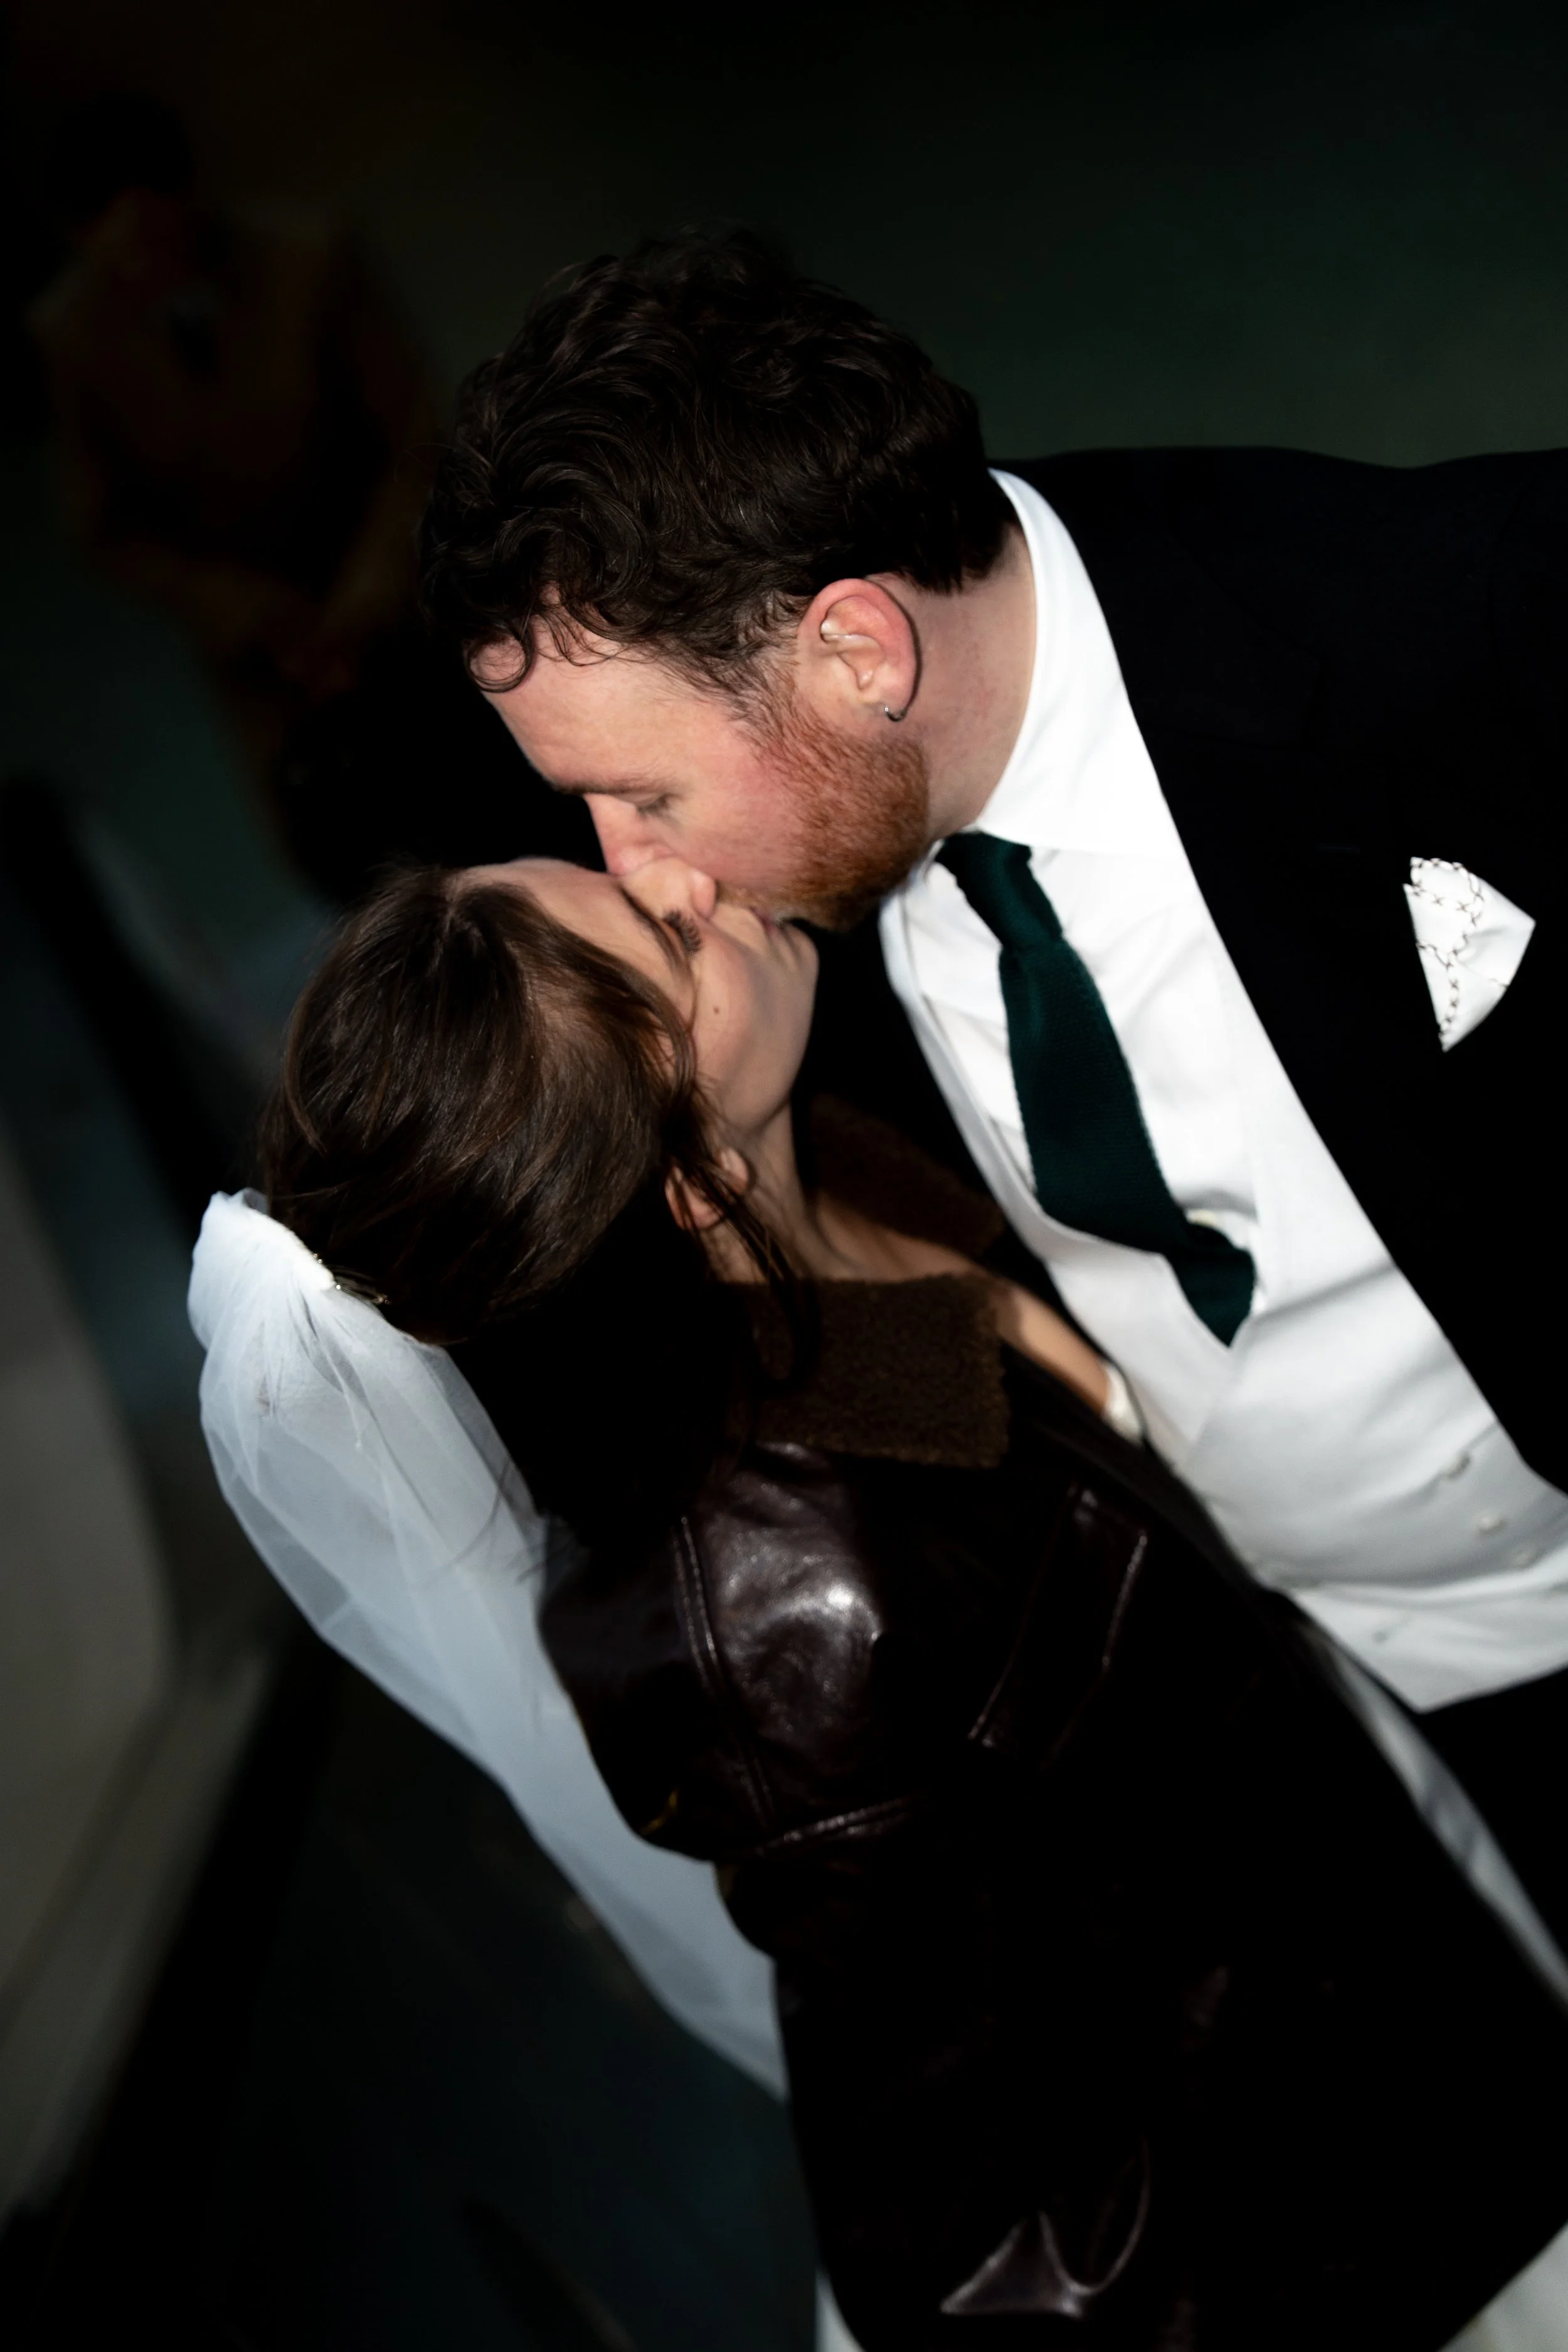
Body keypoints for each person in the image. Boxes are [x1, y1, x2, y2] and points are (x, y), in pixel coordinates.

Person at [195, 850, 1568, 2349]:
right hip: (1373, 2209)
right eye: (666, 936)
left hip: (1402, 1958)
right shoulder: (790, 1640)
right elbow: (985, 2233)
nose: (687, 876)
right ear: (687, 1182)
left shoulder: (833, 1166)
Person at [416, 232, 1568, 1967]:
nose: (631, 868)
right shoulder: (788, 940)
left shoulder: (1451, 626)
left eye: (640, 791)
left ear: (856, 651)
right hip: (1337, 1724)